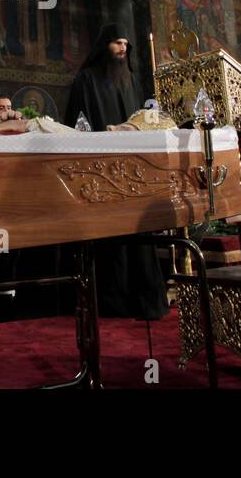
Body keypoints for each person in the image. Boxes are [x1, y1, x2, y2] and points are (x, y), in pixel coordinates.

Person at [64, 24, 167, 319]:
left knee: (139, 234)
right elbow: (79, 124)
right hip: (103, 169)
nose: (122, 47)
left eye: (125, 43)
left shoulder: (132, 81)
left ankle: (145, 299)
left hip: (136, 167)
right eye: (116, 43)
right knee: (112, 236)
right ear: (103, 47)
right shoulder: (87, 79)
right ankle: (114, 301)